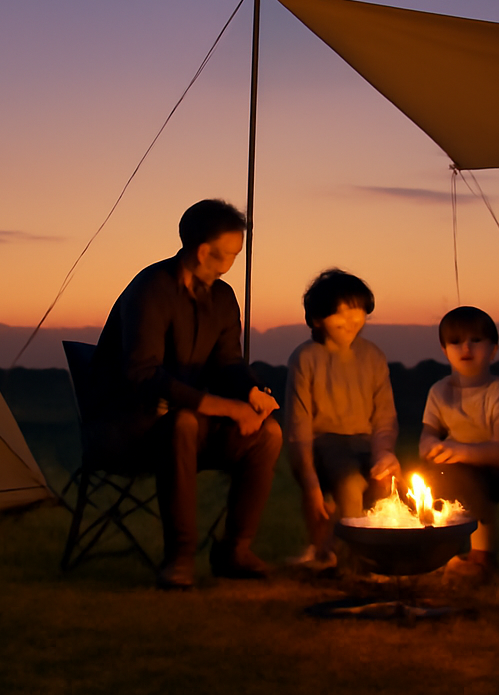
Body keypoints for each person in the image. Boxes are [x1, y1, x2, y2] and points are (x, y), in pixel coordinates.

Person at [88, 199, 282, 590]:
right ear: (203, 250)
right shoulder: (151, 289)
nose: (234, 260)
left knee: (269, 434)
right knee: (183, 423)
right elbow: (143, 374)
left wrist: (249, 392)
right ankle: (179, 556)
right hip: (131, 428)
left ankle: (235, 549)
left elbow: (226, 362)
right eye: (231, 253)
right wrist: (225, 406)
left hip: (188, 425)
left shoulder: (222, 298)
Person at [284, 269, 400, 571]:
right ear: (318, 319)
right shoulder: (306, 358)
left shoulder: (373, 356)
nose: (351, 320)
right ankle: (354, 560)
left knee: (385, 484)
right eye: (340, 313)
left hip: (365, 442)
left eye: (357, 310)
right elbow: (299, 426)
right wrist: (310, 482)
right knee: (349, 483)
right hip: (326, 443)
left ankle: (385, 555)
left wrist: (384, 453)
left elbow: (385, 415)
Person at [419, 306, 499, 584]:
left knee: (466, 478)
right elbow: (427, 436)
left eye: (475, 340)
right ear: (444, 350)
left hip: (490, 472)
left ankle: (482, 556)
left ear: (493, 349)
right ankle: (437, 552)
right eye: (455, 341)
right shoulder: (440, 391)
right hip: (448, 470)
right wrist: (432, 447)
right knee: (424, 480)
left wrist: (460, 451)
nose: (466, 348)